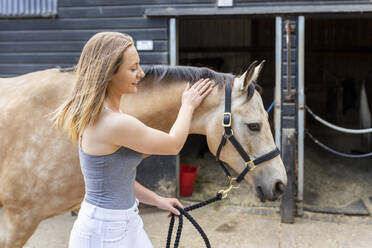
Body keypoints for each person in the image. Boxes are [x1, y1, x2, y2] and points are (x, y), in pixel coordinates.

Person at [52, 31, 212, 248]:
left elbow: (119, 180)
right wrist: (187, 106)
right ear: (109, 73)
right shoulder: (114, 123)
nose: (142, 74)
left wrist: (158, 201)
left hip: (120, 222)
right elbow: (173, 144)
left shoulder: (105, 116)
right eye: (133, 68)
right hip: (106, 231)